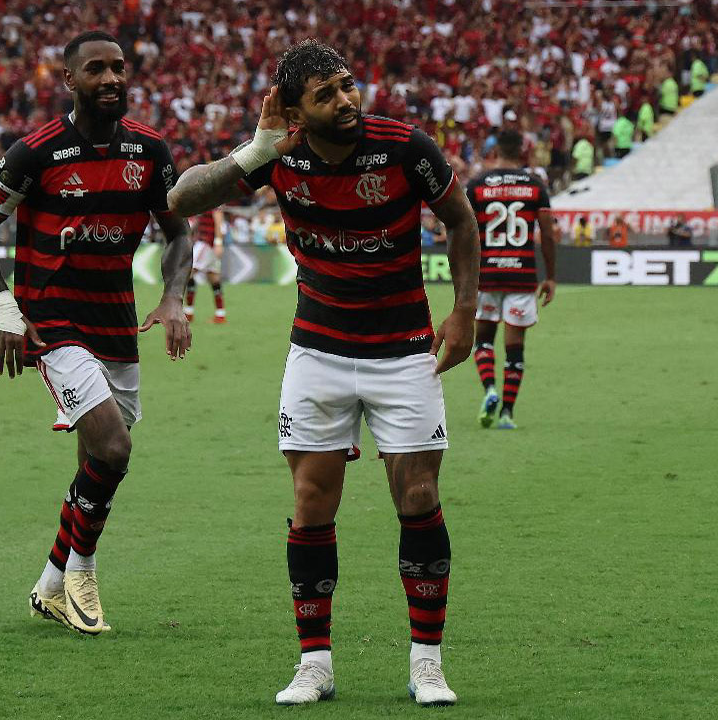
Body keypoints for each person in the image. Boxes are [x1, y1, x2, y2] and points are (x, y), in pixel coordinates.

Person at [168, 39, 480, 707]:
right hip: (317, 352)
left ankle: (427, 661)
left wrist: (465, 311)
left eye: (346, 85)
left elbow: (460, 220)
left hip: (404, 352)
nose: (345, 100)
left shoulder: (405, 147)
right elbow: (180, 200)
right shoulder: (281, 155)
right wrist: (255, 151)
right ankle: (315, 663)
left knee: (418, 497)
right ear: (293, 110)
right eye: (326, 94)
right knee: (312, 503)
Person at [0, 31, 192, 636]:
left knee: (97, 459)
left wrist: (172, 297)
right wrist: (5, 306)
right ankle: (83, 570)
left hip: (116, 321)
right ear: (70, 81)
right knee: (113, 449)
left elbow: (179, 232)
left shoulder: (151, 151)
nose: (112, 79)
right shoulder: (35, 153)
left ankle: (50, 583)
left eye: (119, 68)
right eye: (97, 70)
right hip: (53, 319)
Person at [465, 130, 557, 431]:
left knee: (484, 341)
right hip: (522, 275)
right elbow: (547, 233)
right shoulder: (535, 186)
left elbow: (463, 231)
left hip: (487, 275)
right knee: (514, 348)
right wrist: (552, 276)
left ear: (494, 151)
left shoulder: (477, 185)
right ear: (523, 151)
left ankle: (489, 388)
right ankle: (506, 413)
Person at [185, 207, 226, 323]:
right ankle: (220, 314)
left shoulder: (214, 203)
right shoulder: (205, 203)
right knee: (213, 277)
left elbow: (219, 223)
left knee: (188, 271)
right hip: (208, 243)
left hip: (207, 243)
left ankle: (188, 313)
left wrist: (218, 243)